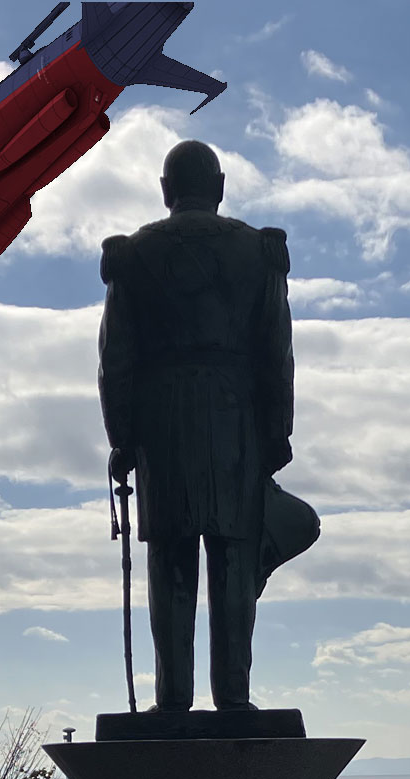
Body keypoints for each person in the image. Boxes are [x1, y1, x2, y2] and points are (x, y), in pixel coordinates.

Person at [98, 140, 295, 712]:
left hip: (163, 426)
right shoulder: (258, 251)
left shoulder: (132, 256)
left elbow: (116, 359)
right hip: (238, 424)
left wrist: (123, 438)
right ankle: (234, 696)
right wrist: (277, 432)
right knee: (234, 559)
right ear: (222, 186)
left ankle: (173, 700)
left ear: (166, 190)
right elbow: (276, 350)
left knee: (170, 560)